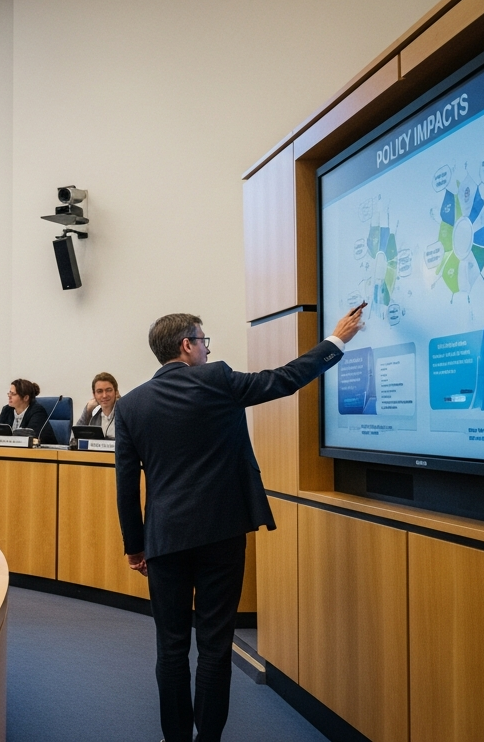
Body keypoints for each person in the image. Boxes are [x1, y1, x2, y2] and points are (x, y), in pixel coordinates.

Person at [115, 304, 366, 742]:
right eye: (203, 342)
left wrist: (135, 547)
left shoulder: (131, 405)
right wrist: (336, 341)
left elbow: (125, 485)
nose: (208, 351)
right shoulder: (218, 380)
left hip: (165, 539)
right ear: (187, 345)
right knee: (215, 645)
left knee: (170, 647)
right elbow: (285, 379)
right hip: (222, 533)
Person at [76, 372, 120, 439]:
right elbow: (74, 440)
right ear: (94, 395)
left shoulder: (124, 414)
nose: (104, 395)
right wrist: (87, 412)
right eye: (100, 391)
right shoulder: (94, 419)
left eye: (108, 390)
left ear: (116, 392)